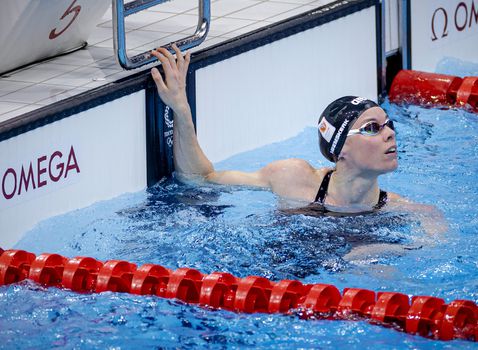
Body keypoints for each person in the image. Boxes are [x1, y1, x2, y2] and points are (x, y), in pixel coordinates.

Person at [150, 45, 447, 245]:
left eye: (388, 125)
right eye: (372, 128)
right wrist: (181, 109)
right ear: (340, 149)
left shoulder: (399, 210)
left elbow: (432, 236)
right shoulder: (293, 178)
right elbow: (200, 178)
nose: (390, 134)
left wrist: (383, 252)